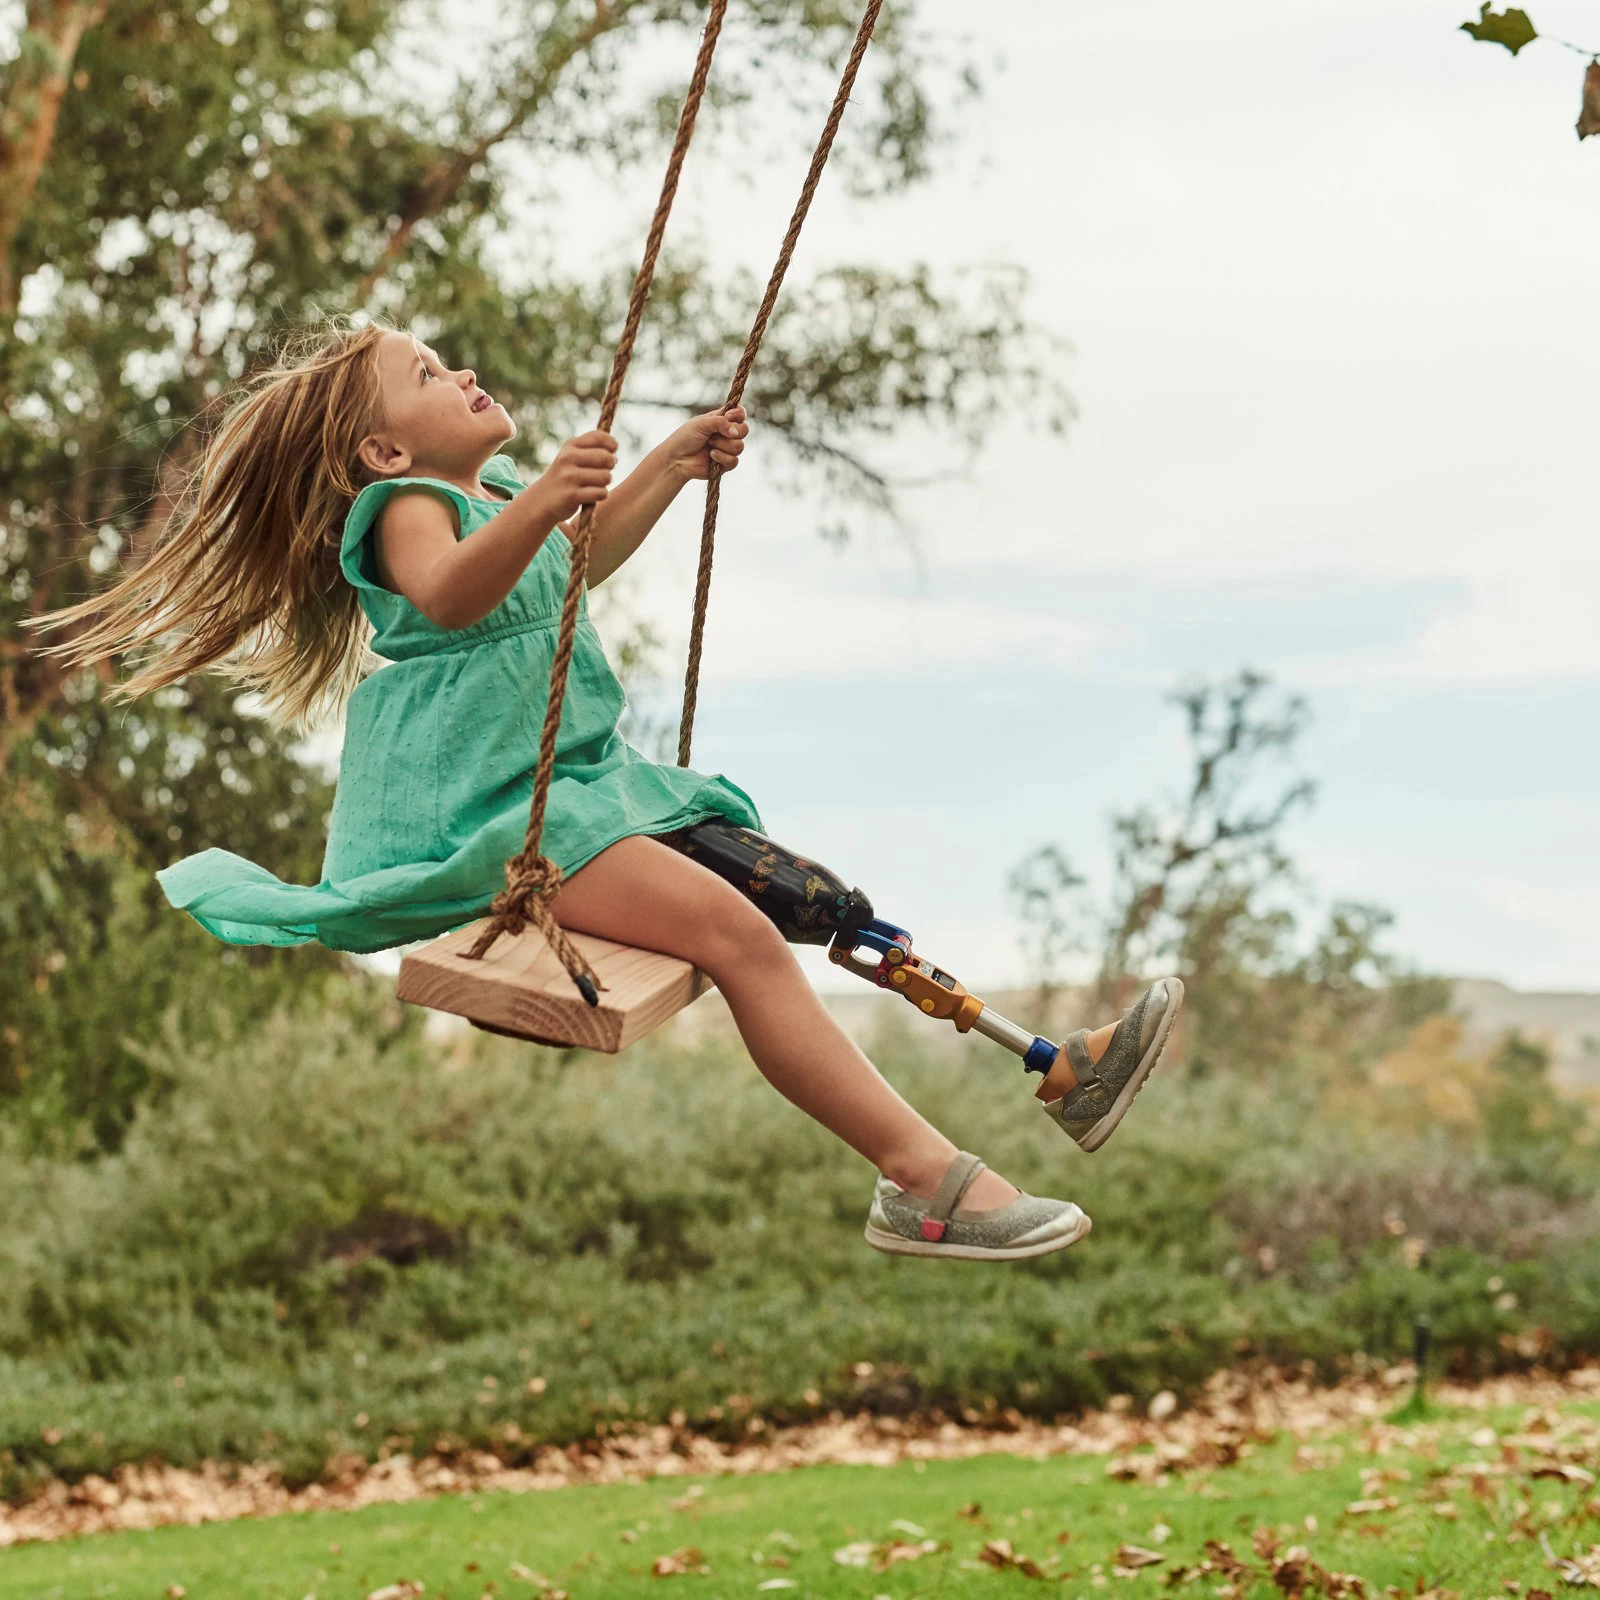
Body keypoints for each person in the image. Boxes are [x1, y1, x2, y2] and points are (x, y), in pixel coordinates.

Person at [34, 316, 1183, 1262]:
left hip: (595, 786)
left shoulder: (489, 510)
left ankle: (1050, 1061)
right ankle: (920, 1180)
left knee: (802, 896)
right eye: (427, 375)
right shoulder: (403, 515)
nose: (461, 370)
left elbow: (577, 560)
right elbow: (447, 597)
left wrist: (669, 467)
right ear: (383, 453)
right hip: (509, 816)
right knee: (740, 943)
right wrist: (543, 497)